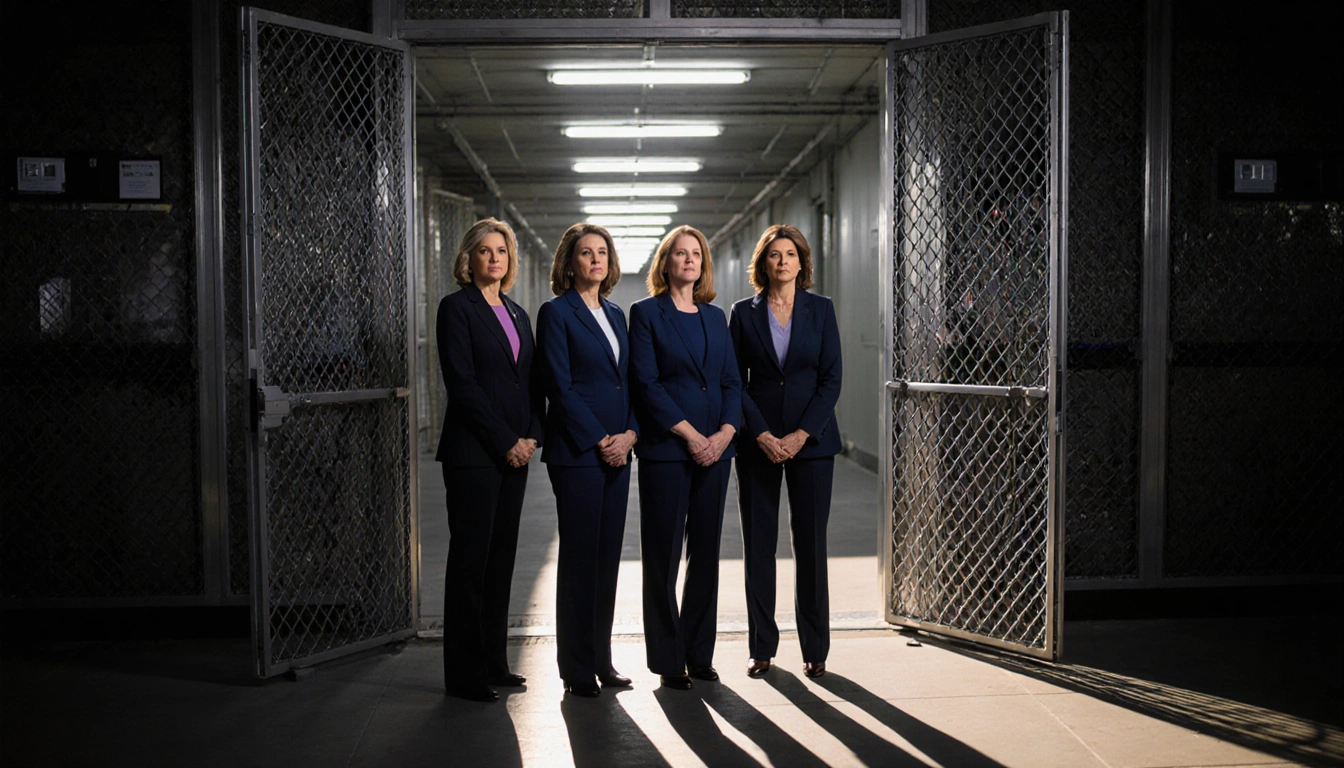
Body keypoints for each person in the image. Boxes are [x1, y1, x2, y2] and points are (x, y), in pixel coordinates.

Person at [628, 225, 742, 690]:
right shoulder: (646, 314)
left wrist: (724, 434)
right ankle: (668, 658)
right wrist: (693, 436)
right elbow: (646, 384)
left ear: (703, 264)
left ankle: (699, 653)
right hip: (668, 451)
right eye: (680, 253)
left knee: (706, 556)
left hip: (716, 452)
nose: (689, 260)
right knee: (663, 555)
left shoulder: (716, 318)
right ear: (666, 262)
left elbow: (733, 382)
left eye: (696, 253)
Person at [435, 217, 544, 702]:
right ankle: (464, 674)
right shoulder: (456, 309)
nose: (494, 257)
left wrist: (532, 436)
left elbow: (532, 383)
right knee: (469, 563)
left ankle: (495, 663)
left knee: (500, 562)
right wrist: (506, 440)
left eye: (501, 250)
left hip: (515, 455)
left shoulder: (519, 314)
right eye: (484, 250)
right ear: (469, 258)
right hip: (474, 455)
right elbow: (463, 386)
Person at [728, 225, 842, 680]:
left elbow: (830, 379)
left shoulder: (821, 310)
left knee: (810, 546)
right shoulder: (743, 313)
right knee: (759, 546)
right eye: (774, 255)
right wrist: (761, 434)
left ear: (802, 263)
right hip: (758, 444)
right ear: (763, 263)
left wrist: (799, 435)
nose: (782, 262)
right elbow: (734, 380)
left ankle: (816, 648)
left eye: (790, 254)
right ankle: (761, 648)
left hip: (811, 444)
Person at [535, 223, 638, 698]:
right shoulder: (556, 313)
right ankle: (576, 668)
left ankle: (602, 658)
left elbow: (629, 382)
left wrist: (630, 435)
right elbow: (559, 385)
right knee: (579, 559)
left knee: (606, 560)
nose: (595, 260)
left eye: (602, 252)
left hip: (620, 453)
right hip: (578, 453)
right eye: (585, 253)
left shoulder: (617, 314)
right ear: (570, 262)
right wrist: (601, 439)